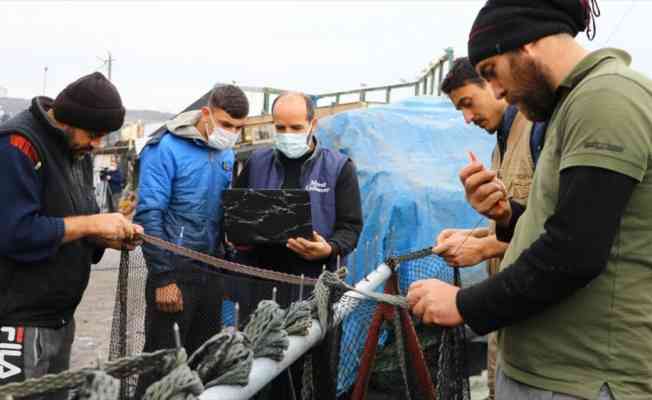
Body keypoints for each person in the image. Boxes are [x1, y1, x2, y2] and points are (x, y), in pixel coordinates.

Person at [408, 1, 652, 398]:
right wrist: (506, 215)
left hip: (580, 380)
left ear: (529, 43)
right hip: (547, 375)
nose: (497, 90)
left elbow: (573, 252)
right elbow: (565, 224)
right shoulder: (569, 107)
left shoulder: (607, 96)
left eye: (491, 72)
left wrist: (464, 304)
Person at [0, 72, 142, 398]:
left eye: (104, 136)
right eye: (93, 134)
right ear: (66, 120)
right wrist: (93, 224)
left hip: (59, 318)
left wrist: (109, 237)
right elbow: (15, 232)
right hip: (15, 320)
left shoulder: (76, 151)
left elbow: (77, 217)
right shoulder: (17, 145)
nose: (97, 144)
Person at [233, 92, 363, 398]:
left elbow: (351, 228)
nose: (287, 135)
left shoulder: (339, 168)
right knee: (263, 370)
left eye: (295, 127)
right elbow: (235, 214)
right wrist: (238, 235)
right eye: (280, 128)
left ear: (312, 124)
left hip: (316, 291)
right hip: (264, 290)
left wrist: (329, 248)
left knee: (316, 373)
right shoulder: (256, 162)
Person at [438, 56, 546, 399]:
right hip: (510, 320)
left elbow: (559, 233)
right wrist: (470, 236)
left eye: (468, 104)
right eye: (460, 111)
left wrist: (484, 248)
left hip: (541, 330)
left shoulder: (537, 132)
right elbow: (516, 221)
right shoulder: (502, 141)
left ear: (494, 82)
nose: (467, 118)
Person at [134, 85, 249, 368]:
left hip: (211, 270)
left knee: (202, 362)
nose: (231, 133)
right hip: (175, 272)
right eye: (225, 124)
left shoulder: (226, 153)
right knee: (163, 364)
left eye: (237, 127)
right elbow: (149, 214)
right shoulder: (164, 148)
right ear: (206, 113)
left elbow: (220, 209)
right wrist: (163, 278)